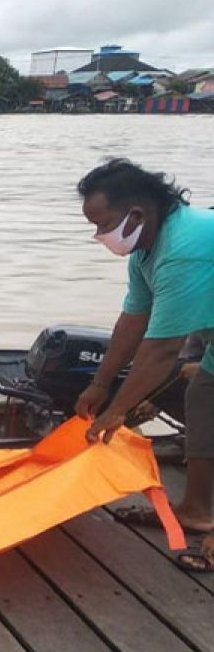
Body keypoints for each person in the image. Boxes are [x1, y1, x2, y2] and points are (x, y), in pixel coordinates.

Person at [75, 159, 214, 573]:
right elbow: (133, 321)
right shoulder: (146, 252)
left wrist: (118, 411)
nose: (100, 236)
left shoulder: (184, 250)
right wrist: (101, 384)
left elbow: (162, 349)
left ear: (137, 213)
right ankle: (198, 509)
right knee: (202, 397)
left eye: (104, 224)